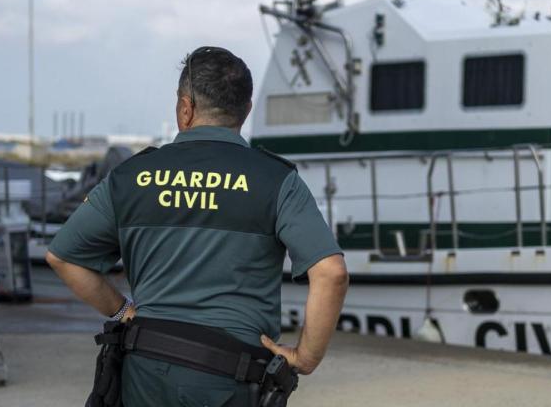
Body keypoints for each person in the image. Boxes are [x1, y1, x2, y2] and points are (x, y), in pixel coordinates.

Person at [46, 46, 348, 406]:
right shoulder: (275, 180)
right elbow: (331, 273)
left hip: (145, 370)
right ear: (245, 110)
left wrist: (124, 310)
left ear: (185, 108)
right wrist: (307, 356)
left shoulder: (130, 177)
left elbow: (63, 257)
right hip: (233, 376)